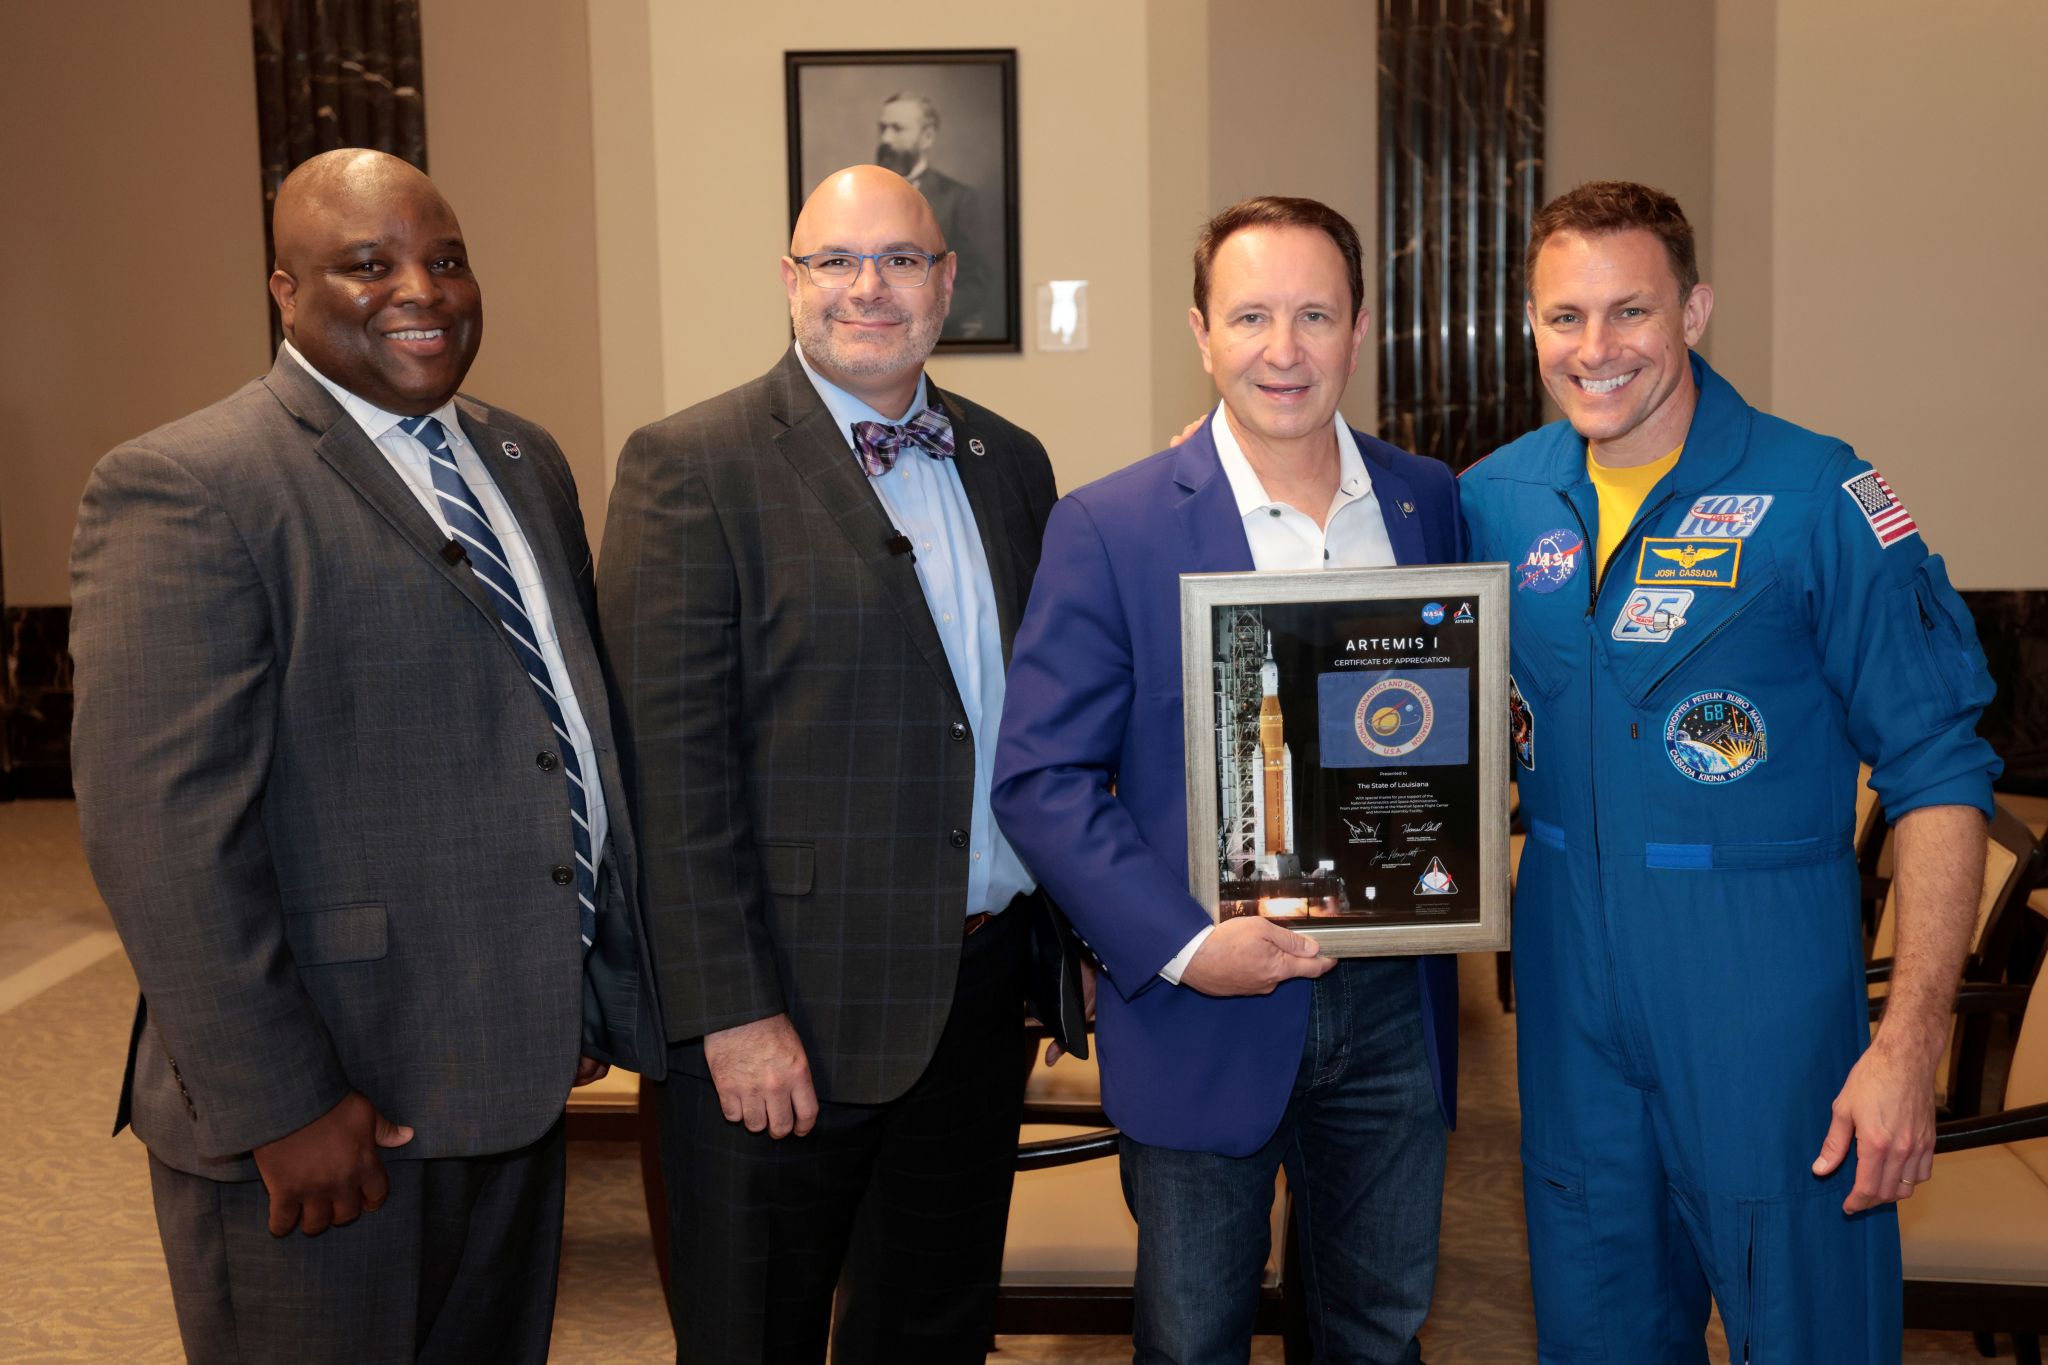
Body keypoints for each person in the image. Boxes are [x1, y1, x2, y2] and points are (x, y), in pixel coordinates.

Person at [68, 148, 664, 1363]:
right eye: (368, 264)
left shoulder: (520, 459)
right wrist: (280, 1105)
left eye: (445, 259)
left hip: (506, 1079)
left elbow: (555, 736)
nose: (423, 290)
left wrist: (579, 984)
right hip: (332, 1113)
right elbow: (161, 837)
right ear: (286, 291)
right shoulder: (190, 485)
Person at [1458, 180, 1999, 1362]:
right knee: (1595, 1325)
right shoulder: (1491, 502)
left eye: (1629, 312)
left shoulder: (1819, 499)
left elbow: (1939, 771)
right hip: (1566, 1004)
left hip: (1762, 1005)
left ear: (1693, 311)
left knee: (1805, 1327)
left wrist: (1908, 1047)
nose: (1594, 350)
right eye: (1562, 317)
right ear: (1529, 326)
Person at [598, 164, 1083, 1365]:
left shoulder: (1010, 462)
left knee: (934, 1329)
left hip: (975, 1001)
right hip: (785, 1020)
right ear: (789, 282)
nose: (869, 287)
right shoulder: (689, 466)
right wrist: (731, 1012)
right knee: (753, 1335)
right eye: (835, 261)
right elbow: (670, 774)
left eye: (902, 260)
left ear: (946, 283)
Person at [993, 195, 1464, 1364]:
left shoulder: (1426, 502)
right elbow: (1041, 778)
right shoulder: (1109, 526)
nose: (1283, 349)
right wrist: (1187, 947)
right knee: (1193, 1338)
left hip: (1391, 1004)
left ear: (1359, 328)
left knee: (1378, 1330)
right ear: (1199, 333)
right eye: (1249, 315)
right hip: (1203, 1004)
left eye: (1314, 314)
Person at [875, 91, 1003, 342]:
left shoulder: (959, 199)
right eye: (882, 128)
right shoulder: (859, 198)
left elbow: (977, 282)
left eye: (897, 129)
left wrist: (920, 314)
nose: (886, 138)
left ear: (927, 136)